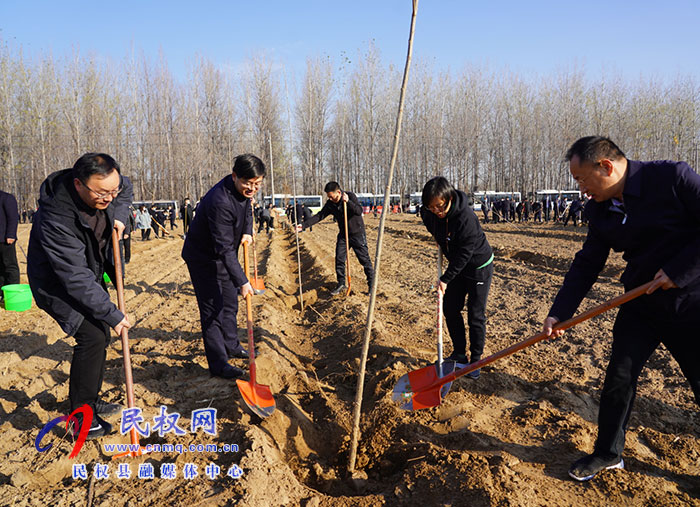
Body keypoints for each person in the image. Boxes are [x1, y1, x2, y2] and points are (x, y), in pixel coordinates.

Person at [542, 136, 700, 482]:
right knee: (619, 378)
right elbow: (587, 263)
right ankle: (608, 453)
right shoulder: (600, 209)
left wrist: (681, 271)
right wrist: (561, 312)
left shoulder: (673, 178)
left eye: (582, 179)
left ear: (606, 166)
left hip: (690, 302)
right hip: (640, 303)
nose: (581, 189)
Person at [27, 153, 133, 439]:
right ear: (78, 185)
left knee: (100, 334)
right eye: (102, 193)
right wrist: (112, 313)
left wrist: (120, 218)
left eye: (114, 190)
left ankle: (90, 400)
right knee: (93, 335)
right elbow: (74, 277)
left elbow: (127, 190)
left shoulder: (111, 190)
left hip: (89, 271)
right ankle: (80, 417)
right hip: (56, 283)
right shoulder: (55, 216)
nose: (109, 197)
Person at [181, 154, 265, 380]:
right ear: (235, 176)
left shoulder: (244, 193)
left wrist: (247, 230)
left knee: (229, 303)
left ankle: (232, 345)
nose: (252, 188)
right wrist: (243, 281)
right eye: (248, 183)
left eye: (257, 184)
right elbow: (225, 249)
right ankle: (218, 363)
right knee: (213, 310)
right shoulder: (220, 201)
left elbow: (248, 208)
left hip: (223, 256)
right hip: (204, 259)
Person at [420, 177, 494, 379]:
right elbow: (426, 216)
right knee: (450, 308)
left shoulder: (466, 218)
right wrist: (439, 237)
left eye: (440, 206)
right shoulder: (429, 213)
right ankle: (459, 354)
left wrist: (445, 279)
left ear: (450, 198)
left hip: (478, 266)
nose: (436, 211)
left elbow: (464, 254)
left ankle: (476, 360)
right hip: (457, 266)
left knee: (475, 315)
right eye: (432, 207)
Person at [298, 182, 374, 295]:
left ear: (338, 192)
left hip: (357, 233)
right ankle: (341, 284)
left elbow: (359, 211)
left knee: (364, 260)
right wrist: (303, 225)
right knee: (339, 259)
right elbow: (320, 216)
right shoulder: (330, 204)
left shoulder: (350, 196)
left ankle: (371, 286)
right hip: (344, 235)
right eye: (328, 197)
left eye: (331, 196)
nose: (330, 199)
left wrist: (348, 202)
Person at [0, 189, 20, 291]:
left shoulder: (7, 198)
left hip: (5, 240)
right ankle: (2, 292)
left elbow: (13, 218)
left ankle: (13, 292)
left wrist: (11, 235)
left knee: (10, 266)